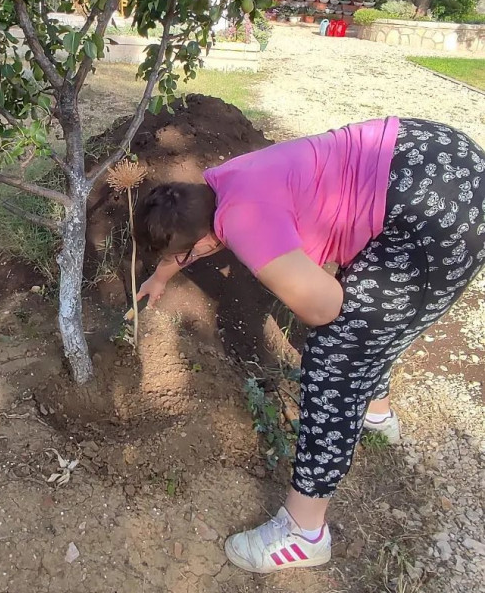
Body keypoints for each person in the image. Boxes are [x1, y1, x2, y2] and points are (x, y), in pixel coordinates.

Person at [133, 117, 485, 574]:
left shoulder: (242, 220)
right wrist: (161, 276)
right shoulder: (222, 181)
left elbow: (323, 308)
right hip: (433, 152)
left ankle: (305, 532)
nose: (183, 261)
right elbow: (202, 236)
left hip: (439, 215)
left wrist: (285, 282)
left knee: (337, 351)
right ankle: (375, 412)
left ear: (201, 240)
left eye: (179, 256)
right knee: (375, 315)